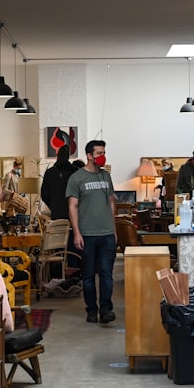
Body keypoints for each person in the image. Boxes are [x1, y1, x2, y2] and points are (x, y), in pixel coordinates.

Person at [66, 139, 117, 324]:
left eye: (104, 153)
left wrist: (114, 229)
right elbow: (72, 206)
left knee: (106, 274)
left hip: (107, 234)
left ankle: (105, 310)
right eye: (99, 153)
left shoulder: (106, 177)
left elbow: (111, 203)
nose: (102, 157)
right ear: (89, 155)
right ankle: (91, 309)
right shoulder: (77, 178)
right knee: (88, 276)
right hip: (87, 235)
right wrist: (77, 232)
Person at [41, 145, 76, 220]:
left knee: (57, 230)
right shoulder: (75, 172)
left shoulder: (50, 172)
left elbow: (44, 194)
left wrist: (53, 206)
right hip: (73, 212)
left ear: (57, 155)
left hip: (56, 212)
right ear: (68, 156)